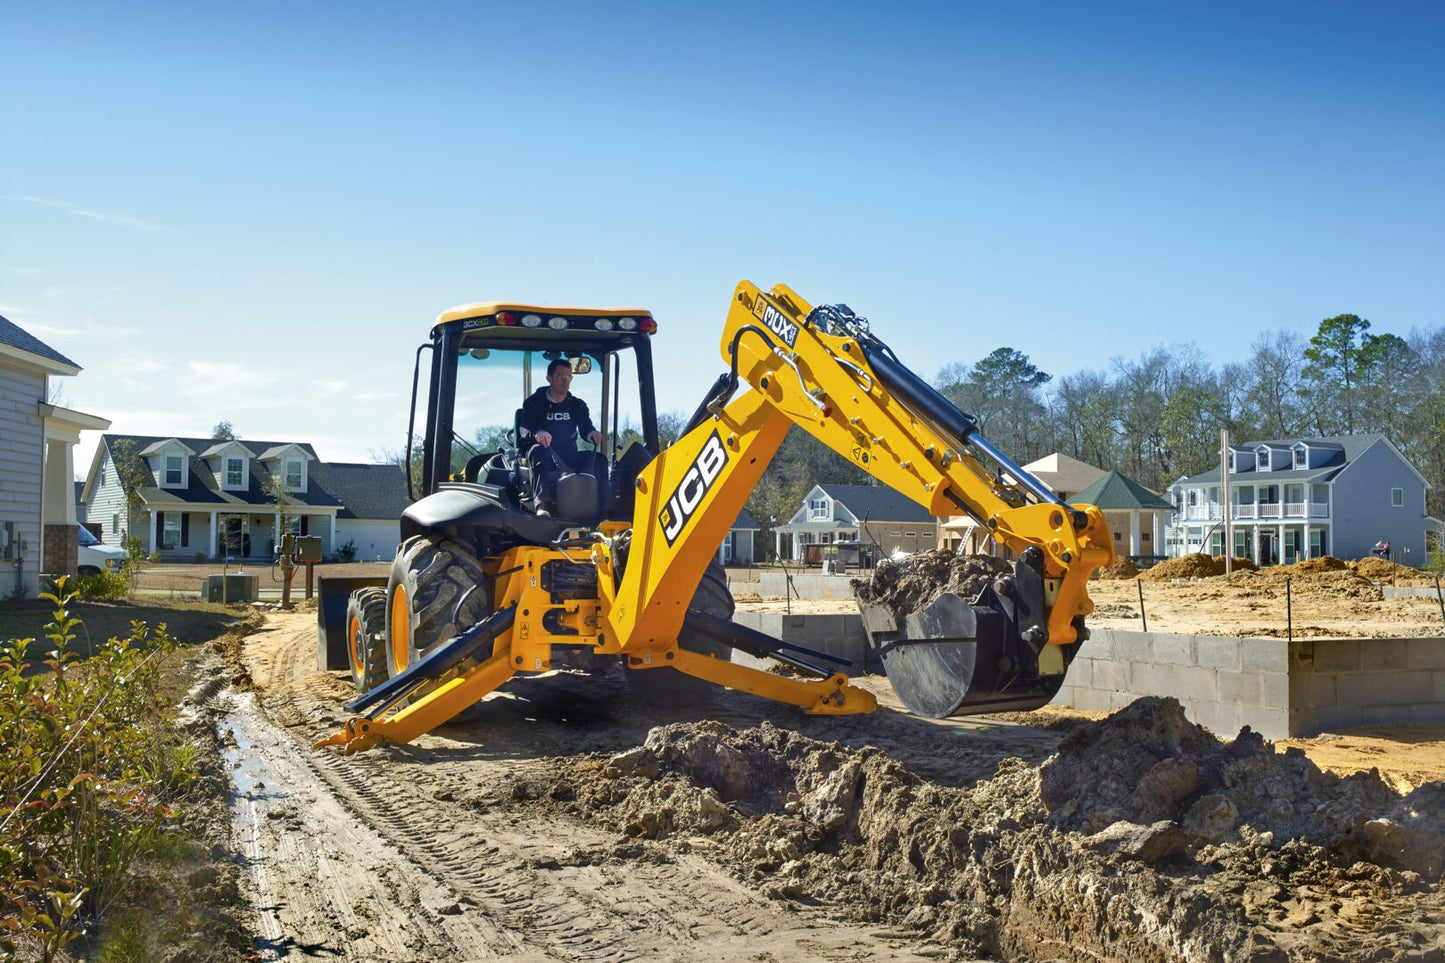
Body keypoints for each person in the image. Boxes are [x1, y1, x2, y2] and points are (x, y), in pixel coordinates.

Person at [520, 358, 607, 512]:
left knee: (600, 459)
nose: (566, 381)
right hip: (544, 453)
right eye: (561, 376)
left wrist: (591, 433)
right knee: (537, 451)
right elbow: (525, 428)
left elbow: (585, 427)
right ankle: (542, 506)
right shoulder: (533, 403)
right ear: (549, 378)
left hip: (568, 455)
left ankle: (605, 509)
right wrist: (537, 433)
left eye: (569, 377)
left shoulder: (577, 405)